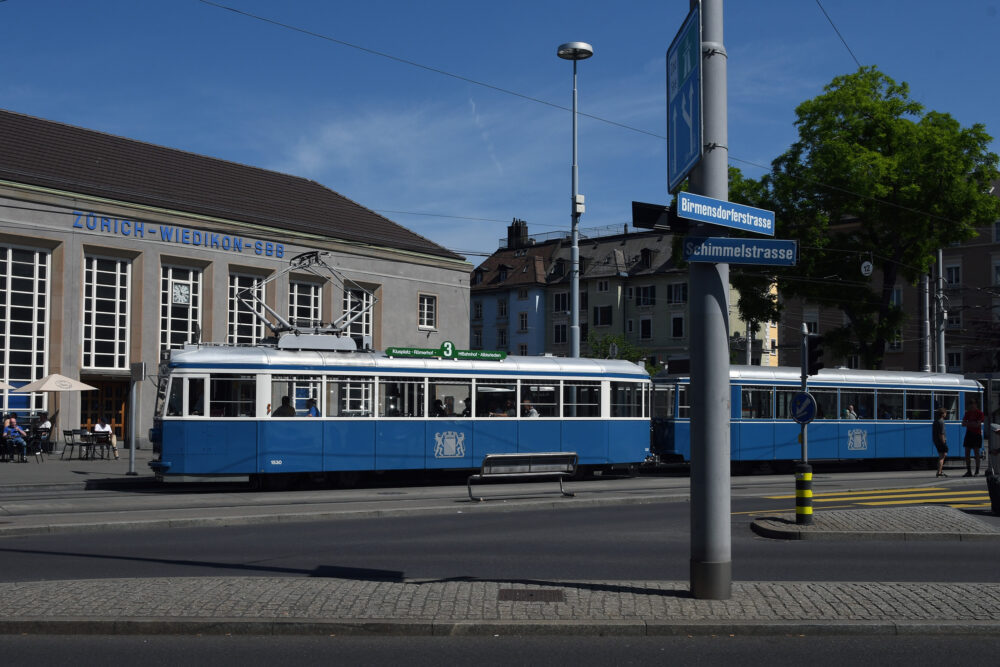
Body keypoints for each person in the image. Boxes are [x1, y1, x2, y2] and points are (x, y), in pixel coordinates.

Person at [961, 398, 985, 477]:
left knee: (976, 453)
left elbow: (977, 424)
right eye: (970, 404)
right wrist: (972, 423)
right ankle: (969, 471)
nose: (971, 406)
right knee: (967, 453)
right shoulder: (968, 413)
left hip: (976, 434)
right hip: (969, 434)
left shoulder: (980, 413)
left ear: (976, 405)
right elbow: (963, 424)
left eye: (973, 404)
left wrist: (969, 423)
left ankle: (977, 471)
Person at [932, 407, 948, 477]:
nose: (946, 414)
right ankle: (939, 472)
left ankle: (939, 470)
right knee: (942, 456)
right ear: (943, 414)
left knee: (941, 455)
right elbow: (941, 434)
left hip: (936, 441)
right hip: (941, 441)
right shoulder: (941, 422)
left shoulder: (935, 421)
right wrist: (944, 442)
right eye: (945, 413)